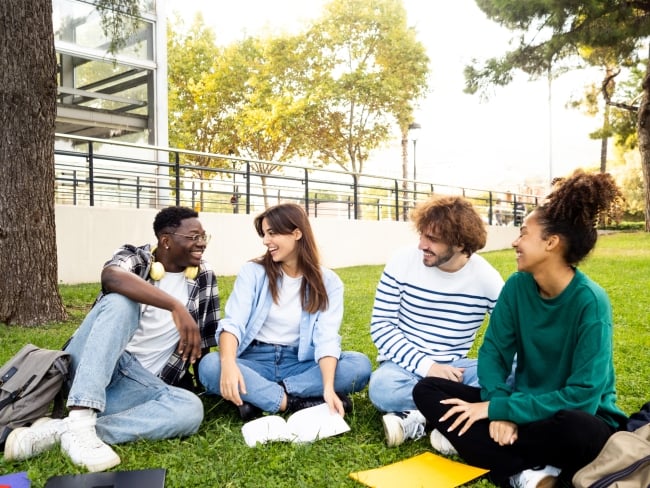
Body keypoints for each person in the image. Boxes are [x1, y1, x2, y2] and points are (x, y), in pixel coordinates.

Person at [413, 170, 629, 488]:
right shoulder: (516, 286)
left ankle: (502, 463)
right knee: (427, 390)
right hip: (525, 405)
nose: (515, 241)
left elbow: (583, 397)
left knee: (576, 427)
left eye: (524, 233)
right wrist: (499, 409)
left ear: (551, 243)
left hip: (575, 419)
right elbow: (493, 355)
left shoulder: (591, 303)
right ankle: (529, 474)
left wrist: (502, 409)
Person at [3, 206, 219, 472]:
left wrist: (207, 383)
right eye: (193, 237)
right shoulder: (137, 257)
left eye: (204, 237)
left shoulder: (203, 275)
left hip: (139, 385)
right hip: (93, 368)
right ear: (166, 240)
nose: (202, 244)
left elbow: (205, 341)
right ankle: (81, 416)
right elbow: (111, 276)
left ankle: (64, 430)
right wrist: (176, 306)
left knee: (190, 410)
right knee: (120, 302)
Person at [199, 203, 371, 420]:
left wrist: (328, 387)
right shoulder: (253, 272)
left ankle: (259, 396)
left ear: (296, 233)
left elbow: (327, 339)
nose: (265, 241)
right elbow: (233, 323)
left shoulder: (329, 282)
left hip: (298, 363)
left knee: (359, 365)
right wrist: (228, 363)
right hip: (254, 361)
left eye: (272, 233)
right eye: (264, 234)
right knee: (210, 365)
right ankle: (291, 402)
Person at [368, 195, 504, 447]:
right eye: (421, 235)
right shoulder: (402, 261)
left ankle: (419, 416)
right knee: (381, 388)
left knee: (515, 374)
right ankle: (457, 416)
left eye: (432, 239)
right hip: (403, 368)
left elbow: (510, 336)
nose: (421, 245)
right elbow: (381, 326)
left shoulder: (487, 278)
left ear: (460, 243)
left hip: (455, 370)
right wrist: (428, 367)